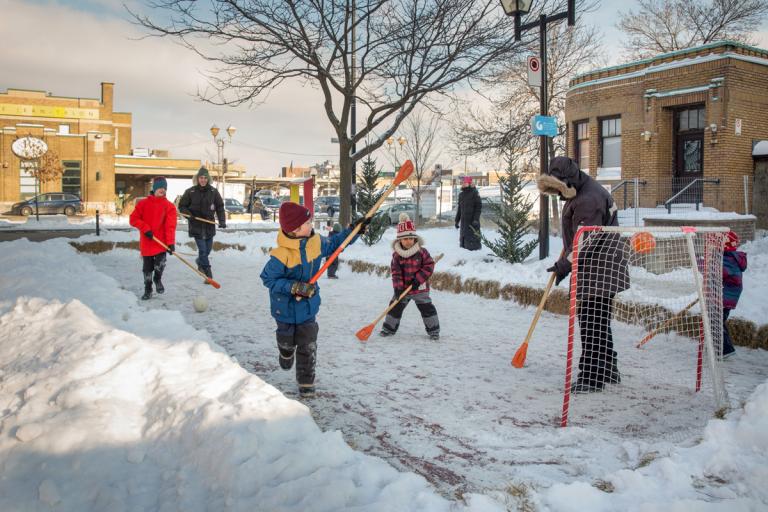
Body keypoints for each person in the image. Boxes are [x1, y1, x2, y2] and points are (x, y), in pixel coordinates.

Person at [260, 202, 371, 398]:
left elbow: (337, 243)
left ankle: (306, 381)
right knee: (287, 341)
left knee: (308, 344)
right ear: (295, 230)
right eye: (308, 222)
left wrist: (354, 230)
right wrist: (293, 287)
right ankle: (285, 352)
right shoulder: (281, 255)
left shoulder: (316, 242)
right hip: (284, 309)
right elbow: (267, 278)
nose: (311, 224)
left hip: (307, 307)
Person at [538, 156, 628, 393]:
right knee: (598, 321)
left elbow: (585, 244)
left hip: (600, 269)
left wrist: (563, 266)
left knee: (591, 323)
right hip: (597, 266)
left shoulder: (588, 200)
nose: (558, 194)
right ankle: (608, 369)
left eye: (559, 189)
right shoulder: (583, 189)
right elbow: (578, 240)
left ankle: (591, 376)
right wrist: (564, 262)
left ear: (568, 181)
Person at [380, 213, 440, 340]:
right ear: (399, 240)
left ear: (415, 239)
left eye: (411, 238)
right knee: (394, 307)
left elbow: (429, 266)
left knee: (427, 309)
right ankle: (388, 329)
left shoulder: (422, 252)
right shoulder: (397, 256)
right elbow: (396, 273)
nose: (408, 241)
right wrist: (398, 288)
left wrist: (418, 279)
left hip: (420, 288)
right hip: (404, 289)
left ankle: (434, 331)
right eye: (405, 239)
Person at [129, 176, 177, 300]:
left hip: (161, 243)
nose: (162, 190)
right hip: (147, 242)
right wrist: (145, 228)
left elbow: (170, 226)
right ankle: (148, 288)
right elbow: (133, 219)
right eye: (159, 187)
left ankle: (158, 279)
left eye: (164, 188)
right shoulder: (143, 204)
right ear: (154, 188)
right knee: (147, 268)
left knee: (160, 264)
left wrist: (170, 243)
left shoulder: (169, 206)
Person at [178, 167, 226, 280]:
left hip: (209, 226)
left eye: (205, 178)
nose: (203, 180)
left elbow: (220, 207)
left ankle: (200, 261)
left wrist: (222, 221)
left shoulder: (213, 192)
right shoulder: (190, 191)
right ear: (197, 179)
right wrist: (189, 215)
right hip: (196, 226)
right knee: (203, 251)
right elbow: (182, 206)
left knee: (207, 251)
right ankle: (208, 274)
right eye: (201, 178)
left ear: (208, 179)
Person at [722, 230, 747, 359]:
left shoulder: (729, 258)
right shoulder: (730, 257)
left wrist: (705, 263)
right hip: (726, 296)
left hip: (726, 297)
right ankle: (717, 346)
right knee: (717, 321)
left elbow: (722, 271)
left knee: (718, 321)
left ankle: (727, 350)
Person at [455, 176, 482, 251]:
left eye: (464, 182)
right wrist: (457, 221)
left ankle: (474, 259)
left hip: (472, 222)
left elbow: (478, 208)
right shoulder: (461, 195)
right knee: (464, 245)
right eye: (462, 182)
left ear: (469, 183)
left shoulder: (475, 193)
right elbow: (460, 209)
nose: (463, 184)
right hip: (464, 223)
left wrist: (476, 219)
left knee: (472, 244)